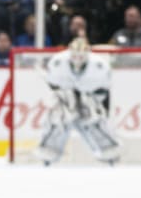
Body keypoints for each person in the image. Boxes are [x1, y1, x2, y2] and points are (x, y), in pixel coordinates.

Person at [36, 37, 119, 165]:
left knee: (93, 119)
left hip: (90, 95)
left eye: (81, 57)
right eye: (74, 56)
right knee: (60, 118)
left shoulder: (100, 65)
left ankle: (108, 150)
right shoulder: (58, 61)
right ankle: (49, 151)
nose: (77, 60)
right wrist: (64, 98)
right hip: (65, 95)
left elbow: (104, 90)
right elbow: (52, 85)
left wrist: (101, 108)